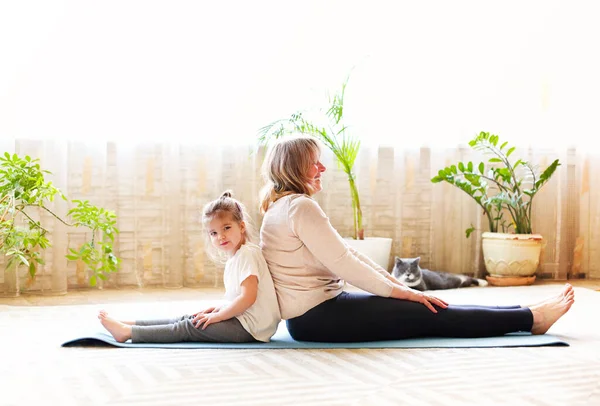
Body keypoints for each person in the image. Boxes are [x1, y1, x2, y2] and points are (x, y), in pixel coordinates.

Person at [258, 135, 575, 342]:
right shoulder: (299, 208)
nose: (322, 167)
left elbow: (347, 255)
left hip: (313, 318)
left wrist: (398, 288)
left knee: (432, 304)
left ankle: (525, 311)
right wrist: (405, 294)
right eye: (314, 162)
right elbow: (344, 264)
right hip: (319, 318)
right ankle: (531, 319)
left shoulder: (283, 207)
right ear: (295, 168)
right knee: (430, 311)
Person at [98, 191, 281, 343]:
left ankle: (129, 333)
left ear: (241, 227)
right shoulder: (237, 256)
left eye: (227, 228)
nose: (221, 237)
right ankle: (131, 324)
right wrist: (219, 309)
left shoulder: (247, 254)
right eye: (214, 233)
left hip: (252, 329)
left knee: (189, 327)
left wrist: (219, 316)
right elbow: (239, 299)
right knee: (190, 318)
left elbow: (248, 298)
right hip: (245, 321)